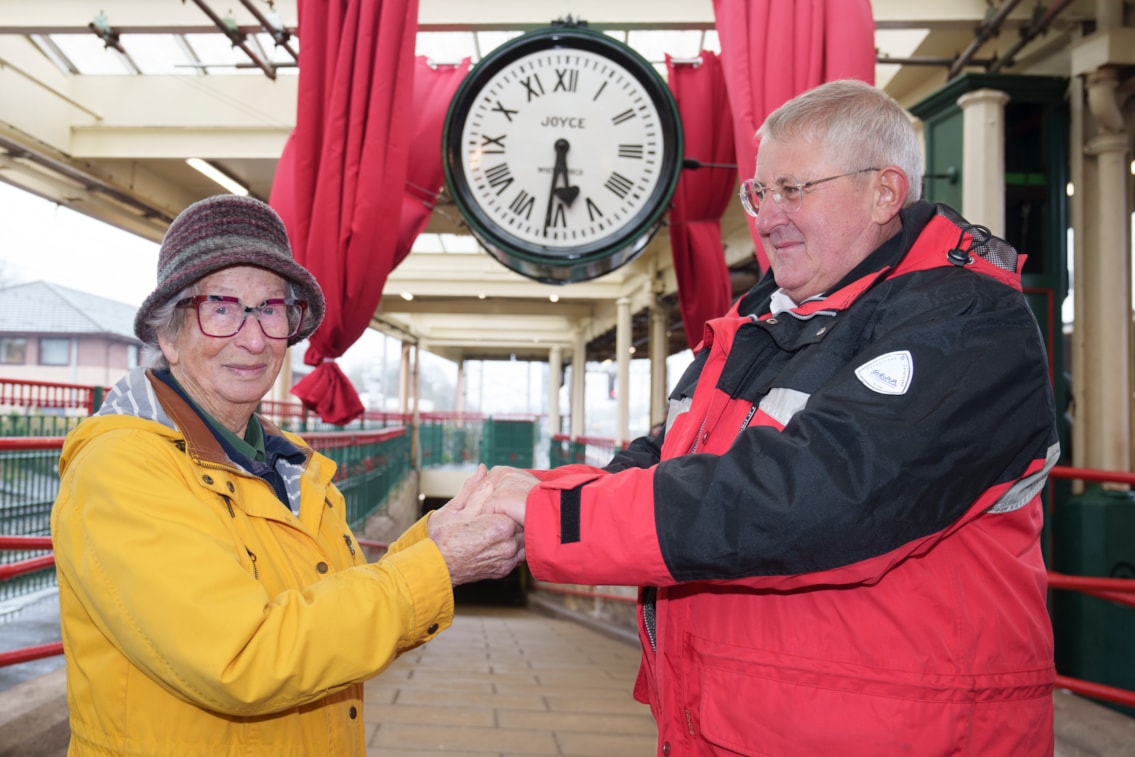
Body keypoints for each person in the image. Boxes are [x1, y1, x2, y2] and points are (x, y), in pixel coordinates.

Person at [479, 79, 1060, 756]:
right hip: (734, 727)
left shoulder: (966, 324)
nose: (767, 217)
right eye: (759, 193)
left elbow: (817, 496)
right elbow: (671, 458)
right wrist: (537, 494)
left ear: (884, 193)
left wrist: (556, 519)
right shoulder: (763, 318)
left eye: (793, 189)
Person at [50, 195, 523, 756]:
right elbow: (243, 658)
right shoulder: (122, 469)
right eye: (220, 308)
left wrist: (433, 542)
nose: (253, 339)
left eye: (271, 309)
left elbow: (330, 616)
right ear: (168, 337)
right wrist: (436, 567)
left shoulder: (286, 463)